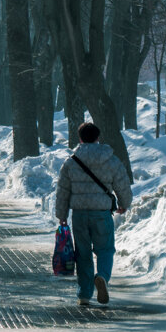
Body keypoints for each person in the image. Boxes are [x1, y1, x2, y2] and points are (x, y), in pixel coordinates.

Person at [55, 122, 130, 306]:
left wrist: (61, 214)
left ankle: (84, 294)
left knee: (83, 254)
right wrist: (124, 204)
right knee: (105, 249)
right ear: (98, 138)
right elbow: (122, 184)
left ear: (80, 138)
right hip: (102, 213)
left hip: (79, 214)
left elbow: (63, 190)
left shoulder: (71, 162)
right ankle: (102, 277)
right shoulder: (111, 160)